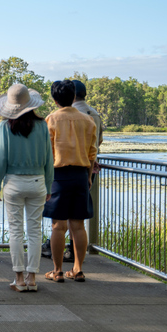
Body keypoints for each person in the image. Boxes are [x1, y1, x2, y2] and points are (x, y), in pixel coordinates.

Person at [0, 84, 53, 292]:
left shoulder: (4, 127)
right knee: (35, 231)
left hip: (13, 183)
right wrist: (49, 185)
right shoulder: (42, 126)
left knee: (15, 230)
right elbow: (49, 159)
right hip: (38, 182)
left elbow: (0, 158)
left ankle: (18, 278)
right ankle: (32, 278)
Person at [43, 80, 97, 283]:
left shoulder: (51, 119)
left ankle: (57, 271)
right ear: (74, 96)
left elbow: (47, 153)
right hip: (81, 175)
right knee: (78, 225)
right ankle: (78, 269)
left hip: (58, 176)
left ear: (54, 99)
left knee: (58, 226)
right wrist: (88, 177)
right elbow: (92, 153)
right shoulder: (88, 120)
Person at [63, 79, 103, 262]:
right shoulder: (94, 114)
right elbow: (98, 141)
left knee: (65, 214)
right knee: (79, 215)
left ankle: (69, 250)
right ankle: (76, 254)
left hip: (70, 168)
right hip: (89, 169)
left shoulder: (68, 114)